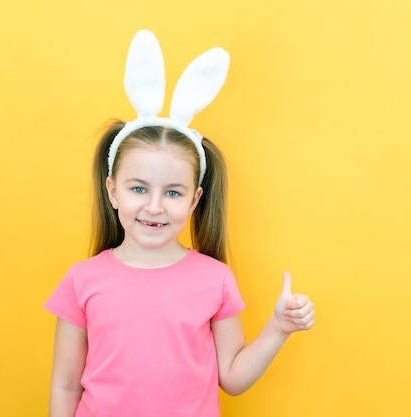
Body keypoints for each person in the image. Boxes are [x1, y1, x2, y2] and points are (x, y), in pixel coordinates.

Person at [45, 30, 315, 417]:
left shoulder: (215, 278)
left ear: (195, 200)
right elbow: (66, 384)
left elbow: (233, 379)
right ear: (113, 190)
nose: (154, 207)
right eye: (138, 188)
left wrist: (278, 328)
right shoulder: (81, 280)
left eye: (173, 193)